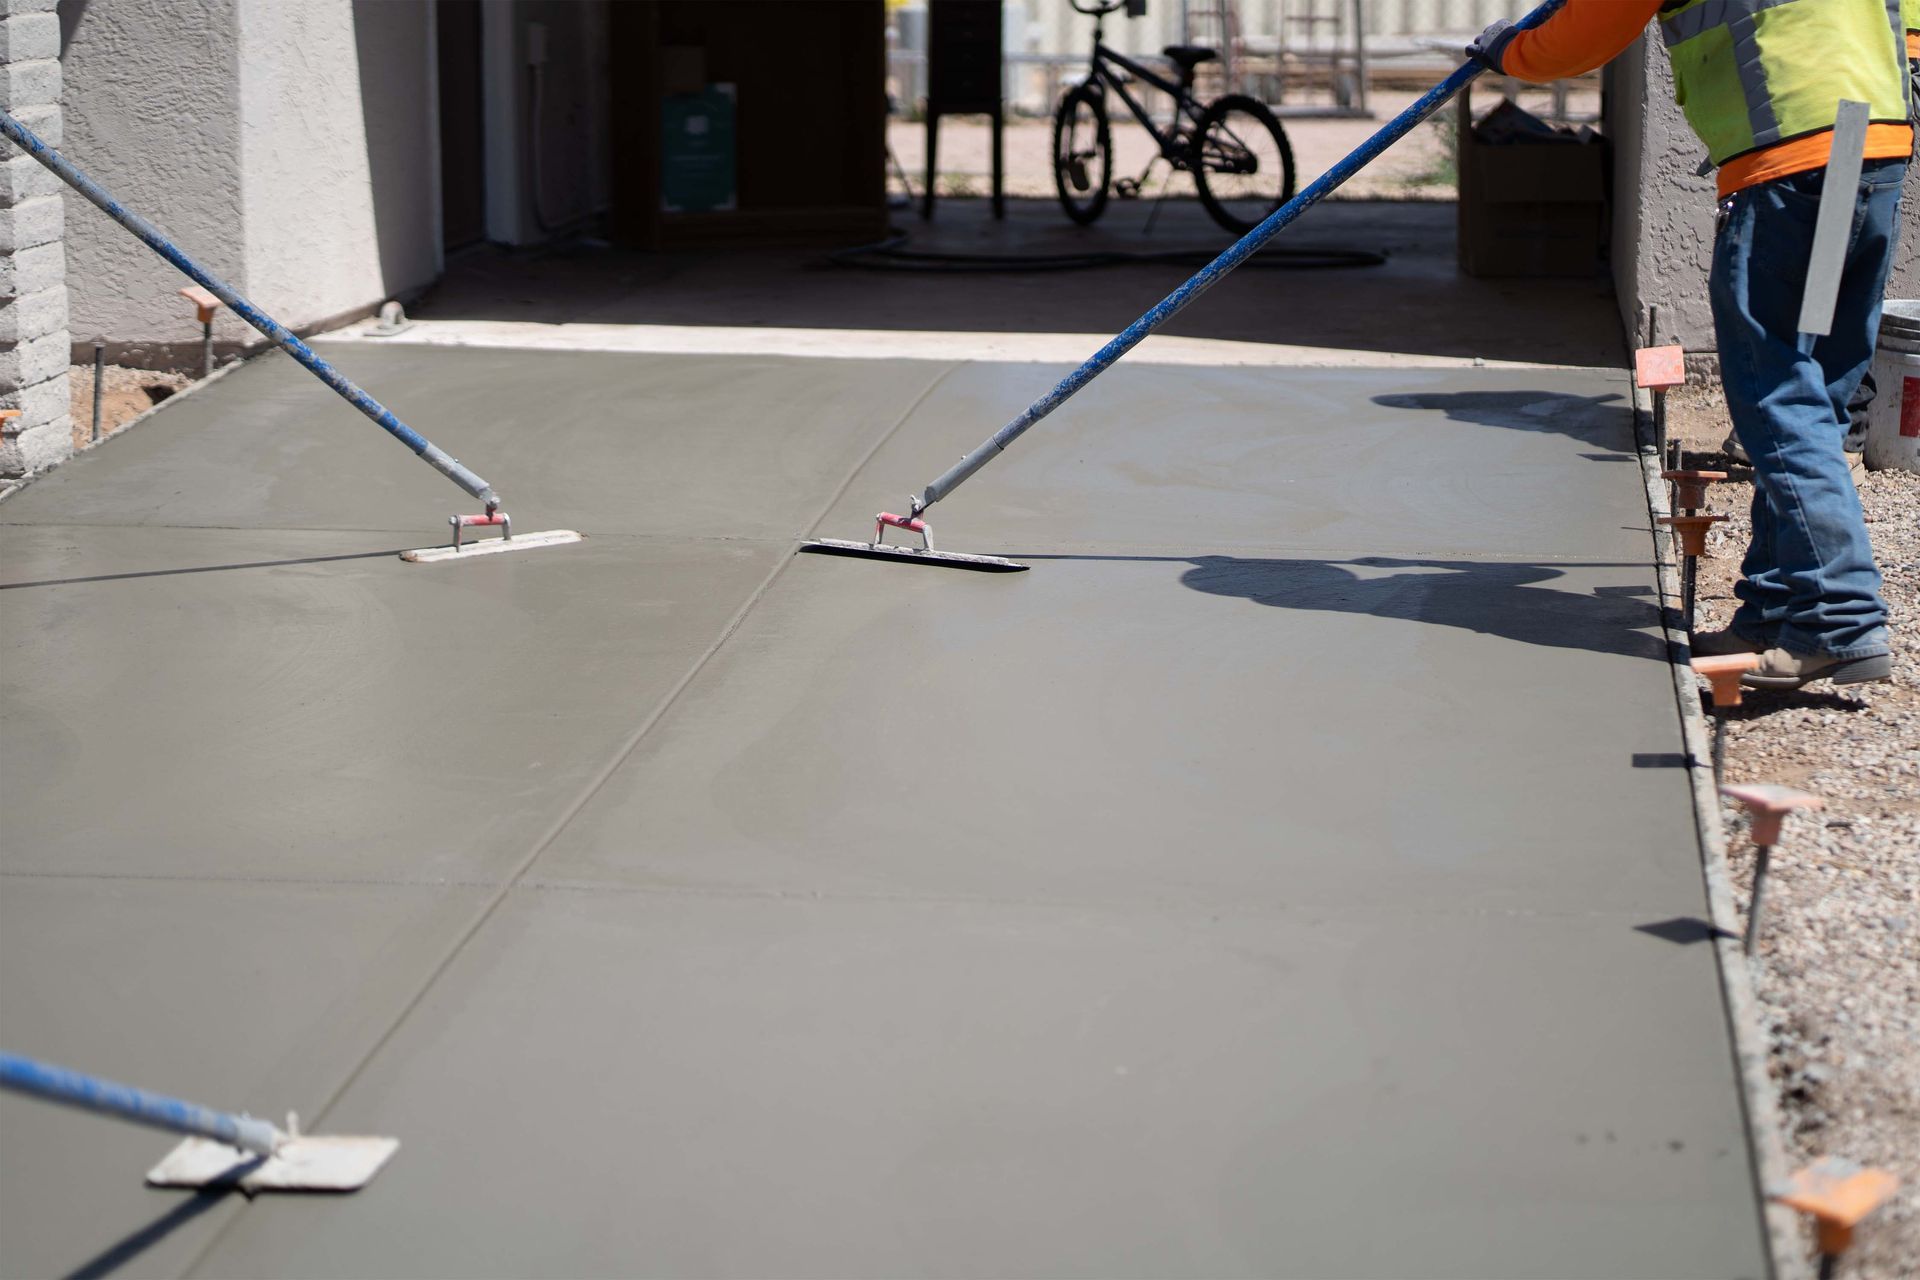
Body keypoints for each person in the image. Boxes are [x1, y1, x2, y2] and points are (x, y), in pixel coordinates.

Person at [1467, 0, 1913, 690]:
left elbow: (1585, 35)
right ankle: (1776, 610)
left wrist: (1510, 51)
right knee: (1812, 389)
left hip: (1790, 168)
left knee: (1777, 397)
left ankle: (1839, 619)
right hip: (1866, 147)